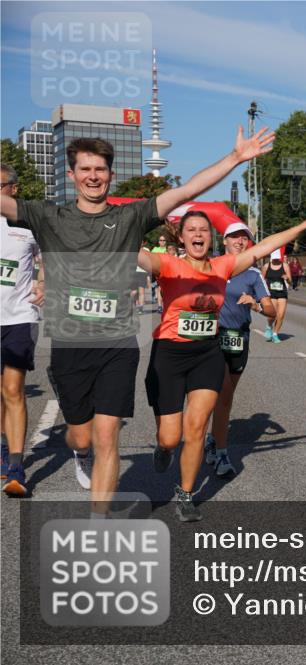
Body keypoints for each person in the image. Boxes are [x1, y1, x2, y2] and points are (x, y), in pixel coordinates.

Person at [0, 126, 276, 513]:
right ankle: (81, 452)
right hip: (69, 342)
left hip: (117, 344)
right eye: (85, 169)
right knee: (81, 438)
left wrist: (234, 158)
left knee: (107, 435)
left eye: (100, 169)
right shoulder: (48, 216)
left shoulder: (130, 216)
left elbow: (186, 191)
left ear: (110, 175)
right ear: (71, 174)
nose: (93, 176)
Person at [142, 207, 306, 521]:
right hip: (169, 354)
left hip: (206, 354)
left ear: (211, 237)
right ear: (181, 238)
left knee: (196, 428)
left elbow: (264, 246)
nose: (198, 234)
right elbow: (139, 258)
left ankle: (185, 495)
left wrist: (303, 226)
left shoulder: (223, 266)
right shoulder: (169, 264)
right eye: (191, 230)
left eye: (203, 230)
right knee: (170, 437)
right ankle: (164, 447)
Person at [203, 221, 275, 479]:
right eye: (234, 236)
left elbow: (272, 311)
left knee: (226, 397)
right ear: (224, 240)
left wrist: (256, 305)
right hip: (212, 339)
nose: (240, 241)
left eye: (244, 238)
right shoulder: (210, 266)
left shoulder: (253, 274)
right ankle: (222, 453)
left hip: (238, 340)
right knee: (222, 394)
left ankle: (213, 439)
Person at [0, 165, 44, 497]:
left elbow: (51, 258)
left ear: (13, 189)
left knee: (13, 389)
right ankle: (4, 447)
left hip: (19, 317)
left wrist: (44, 282)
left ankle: (16, 466)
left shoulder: (28, 223)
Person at [263, 251, 291, 342]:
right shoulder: (266, 266)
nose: (276, 260)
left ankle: (275, 334)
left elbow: (290, 281)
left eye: (277, 258)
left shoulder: (285, 266)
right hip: (271, 293)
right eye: (274, 258)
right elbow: (262, 280)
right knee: (272, 315)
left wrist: (287, 278)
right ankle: (269, 326)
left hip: (282, 293)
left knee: (281, 315)